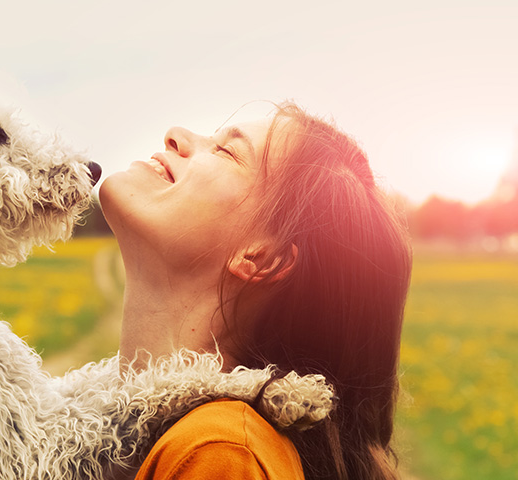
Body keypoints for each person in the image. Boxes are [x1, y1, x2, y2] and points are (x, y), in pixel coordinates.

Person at [98, 102, 413, 480]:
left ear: (263, 257)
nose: (175, 134)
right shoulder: (185, 442)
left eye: (227, 151)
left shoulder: (219, 454)